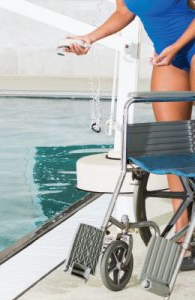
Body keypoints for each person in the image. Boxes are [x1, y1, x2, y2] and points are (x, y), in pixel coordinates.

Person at [64, 0, 195, 270]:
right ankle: (184, 240)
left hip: (189, 45)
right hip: (168, 56)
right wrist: (90, 39)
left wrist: (177, 46)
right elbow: (124, 12)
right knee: (172, 146)